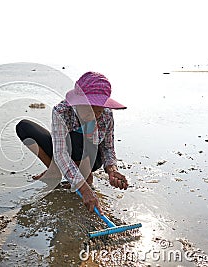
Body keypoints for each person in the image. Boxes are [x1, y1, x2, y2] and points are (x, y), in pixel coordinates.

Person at [16, 71, 128, 214]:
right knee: (24, 127)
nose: (93, 116)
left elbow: (107, 147)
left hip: (92, 158)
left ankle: (86, 175)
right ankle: (55, 171)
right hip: (66, 150)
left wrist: (112, 170)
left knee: (79, 139)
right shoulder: (61, 111)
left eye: (98, 111)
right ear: (77, 103)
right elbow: (61, 153)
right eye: (88, 110)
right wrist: (83, 189)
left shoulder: (106, 114)